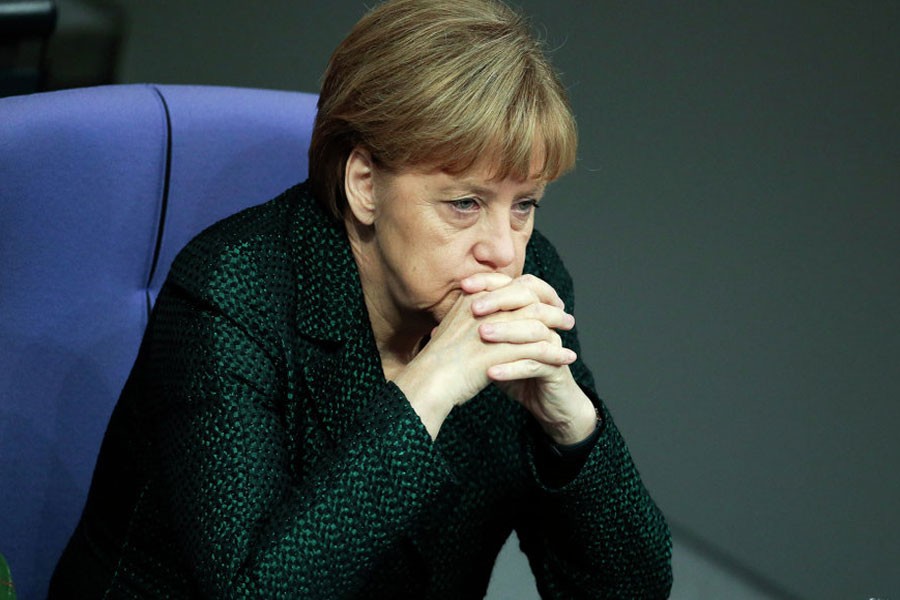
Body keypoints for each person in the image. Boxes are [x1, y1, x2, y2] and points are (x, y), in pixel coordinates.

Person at [49, 0, 672, 597]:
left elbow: (630, 589)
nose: (505, 252)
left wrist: (572, 430)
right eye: (465, 203)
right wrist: (429, 389)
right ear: (365, 184)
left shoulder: (529, 282)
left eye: (524, 205)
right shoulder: (230, 293)